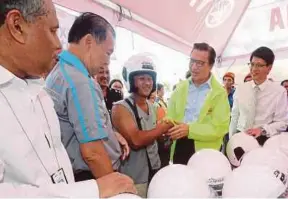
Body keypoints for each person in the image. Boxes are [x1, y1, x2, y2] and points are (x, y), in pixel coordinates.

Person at [0, 0, 135, 197]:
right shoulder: (78, 81)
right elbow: (92, 152)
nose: (58, 45)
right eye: (53, 31)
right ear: (17, 26)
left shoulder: (38, 85)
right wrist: (101, 190)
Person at [46, 12, 129, 182]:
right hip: (93, 176)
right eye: (107, 52)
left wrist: (111, 134)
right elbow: (92, 153)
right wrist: (115, 189)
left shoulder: (60, 71)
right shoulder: (80, 82)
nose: (107, 62)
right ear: (89, 42)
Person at [111, 54, 174, 197]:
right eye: (142, 78)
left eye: (150, 78)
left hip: (155, 172)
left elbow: (157, 136)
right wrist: (163, 128)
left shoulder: (153, 106)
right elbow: (136, 140)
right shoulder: (120, 108)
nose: (147, 83)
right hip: (134, 178)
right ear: (131, 80)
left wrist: (167, 137)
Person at [166, 43, 231, 164]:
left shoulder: (219, 93)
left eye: (200, 63)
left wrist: (190, 129)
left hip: (206, 152)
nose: (194, 67)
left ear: (211, 65)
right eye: (192, 61)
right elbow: (170, 116)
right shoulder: (180, 88)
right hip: (179, 145)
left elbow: (220, 128)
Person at [229, 47, 288, 145]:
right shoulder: (241, 88)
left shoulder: (279, 92)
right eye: (252, 64)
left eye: (259, 65)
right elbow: (235, 115)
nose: (254, 69)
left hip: (263, 139)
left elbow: (282, 122)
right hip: (240, 137)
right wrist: (231, 139)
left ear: (269, 68)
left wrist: (262, 130)